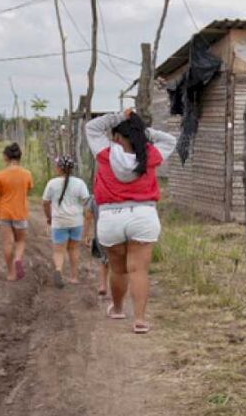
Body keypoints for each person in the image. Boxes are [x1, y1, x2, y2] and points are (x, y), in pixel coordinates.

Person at [86, 108, 177, 334]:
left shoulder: (105, 154)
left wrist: (120, 116)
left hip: (110, 218)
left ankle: (117, 309)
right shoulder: (150, 155)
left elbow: (91, 127)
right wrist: (145, 132)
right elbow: (170, 139)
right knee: (139, 271)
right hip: (143, 215)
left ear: (116, 137)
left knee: (118, 270)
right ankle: (139, 320)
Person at [41, 155, 90, 288]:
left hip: (59, 222)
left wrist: (49, 217)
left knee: (58, 251)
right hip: (76, 221)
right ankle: (74, 277)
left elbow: (45, 202)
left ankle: (58, 270)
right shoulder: (80, 183)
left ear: (59, 168)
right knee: (73, 249)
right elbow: (87, 202)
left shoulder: (52, 183)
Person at [0, 142, 33, 281]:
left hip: (4, 213)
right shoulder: (27, 174)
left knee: (7, 243)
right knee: (20, 241)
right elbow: (29, 190)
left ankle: (10, 273)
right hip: (20, 212)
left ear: (6, 157)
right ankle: (18, 259)